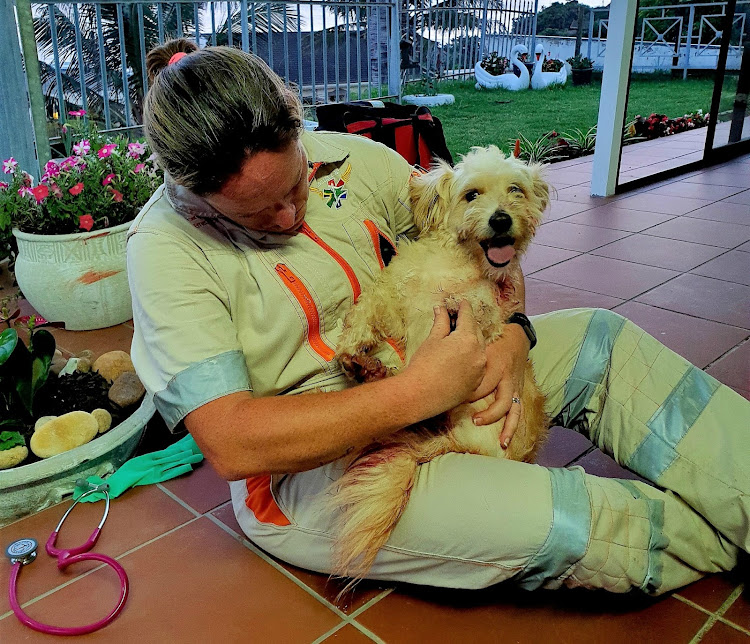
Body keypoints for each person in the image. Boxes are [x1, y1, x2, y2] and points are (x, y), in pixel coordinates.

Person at [128, 38, 749, 596]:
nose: (290, 217)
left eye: (296, 185)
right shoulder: (165, 251)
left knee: (603, 339)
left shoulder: (349, 158)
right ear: (192, 191)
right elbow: (232, 442)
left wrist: (512, 335)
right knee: (581, 521)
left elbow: (486, 239)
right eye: (258, 213)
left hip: (451, 360)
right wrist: (418, 395)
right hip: (315, 465)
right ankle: (720, 535)